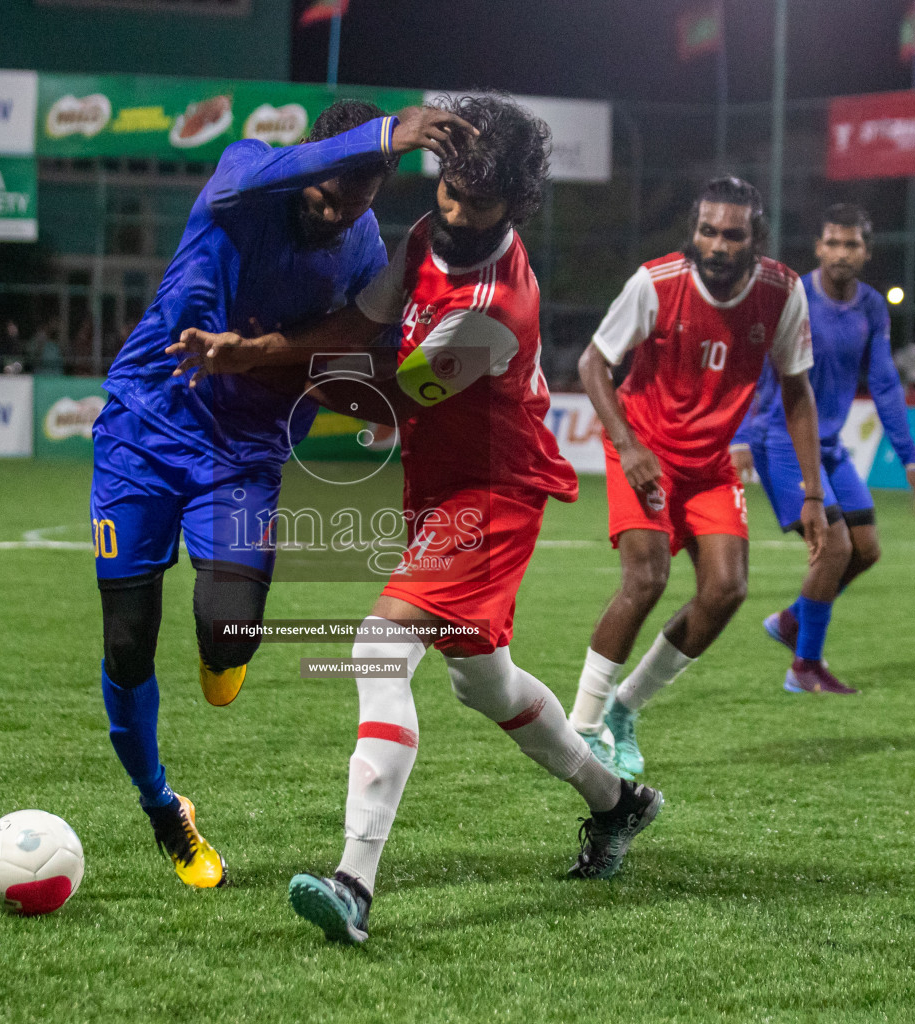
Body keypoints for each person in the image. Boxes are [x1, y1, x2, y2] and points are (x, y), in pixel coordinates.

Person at [169, 95, 658, 945]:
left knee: (376, 646)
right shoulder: (427, 239)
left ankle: (353, 883)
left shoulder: (498, 306)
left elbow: (389, 392)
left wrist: (280, 372)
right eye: (448, 189)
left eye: (477, 200)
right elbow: (358, 324)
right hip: (437, 483)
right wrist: (254, 353)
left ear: (516, 201)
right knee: (486, 684)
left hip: (493, 492)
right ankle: (618, 803)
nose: (453, 210)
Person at [90, 100, 477, 890]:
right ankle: (166, 810)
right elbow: (267, 176)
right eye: (327, 186)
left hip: (244, 450)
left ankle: (218, 648)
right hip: (144, 425)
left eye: (356, 196)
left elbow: (356, 338)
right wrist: (383, 135)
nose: (335, 208)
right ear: (309, 158)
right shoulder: (245, 173)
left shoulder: (363, 246)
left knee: (226, 637)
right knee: (128, 639)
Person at [564, 177, 826, 781]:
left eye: (732, 234)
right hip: (645, 450)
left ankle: (625, 709)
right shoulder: (655, 283)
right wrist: (626, 445)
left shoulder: (783, 292)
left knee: (727, 589)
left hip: (709, 465)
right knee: (647, 575)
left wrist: (813, 492)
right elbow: (593, 363)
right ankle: (580, 728)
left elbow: (796, 389)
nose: (716, 244)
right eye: (707, 231)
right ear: (694, 232)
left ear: (754, 239)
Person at [730, 204, 915, 695]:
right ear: (819, 247)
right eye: (833, 243)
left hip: (831, 446)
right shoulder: (792, 296)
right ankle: (805, 667)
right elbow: (751, 368)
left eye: (852, 244)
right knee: (835, 547)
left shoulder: (871, 307)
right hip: (781, 439)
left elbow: (884, 385)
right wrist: (738, 437)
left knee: (866, 549)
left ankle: (793, 621)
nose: (841, 253)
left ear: (866, 251)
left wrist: (910, 459)